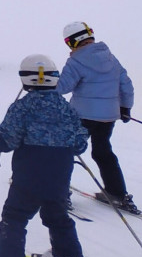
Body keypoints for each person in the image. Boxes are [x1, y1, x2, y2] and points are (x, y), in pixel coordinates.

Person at [0, 54, 91, 257]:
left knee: (15, 217)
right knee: (57, 215)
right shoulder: (65, 107)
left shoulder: (22, 107)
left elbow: (7, 140)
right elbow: (80, 142)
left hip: (29, 176)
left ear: (25, 80)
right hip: (59, 177)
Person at [56, 21, 136, 212]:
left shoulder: (76, 61)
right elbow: (126, 84)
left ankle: (59, 195)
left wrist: (46, 83)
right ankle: (117, 193)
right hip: (108, 117)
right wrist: (125, 107)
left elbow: (63, 87)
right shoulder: (110, 57)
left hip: (82, 116)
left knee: (66, 151)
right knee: (103, 151)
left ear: (71, 42)